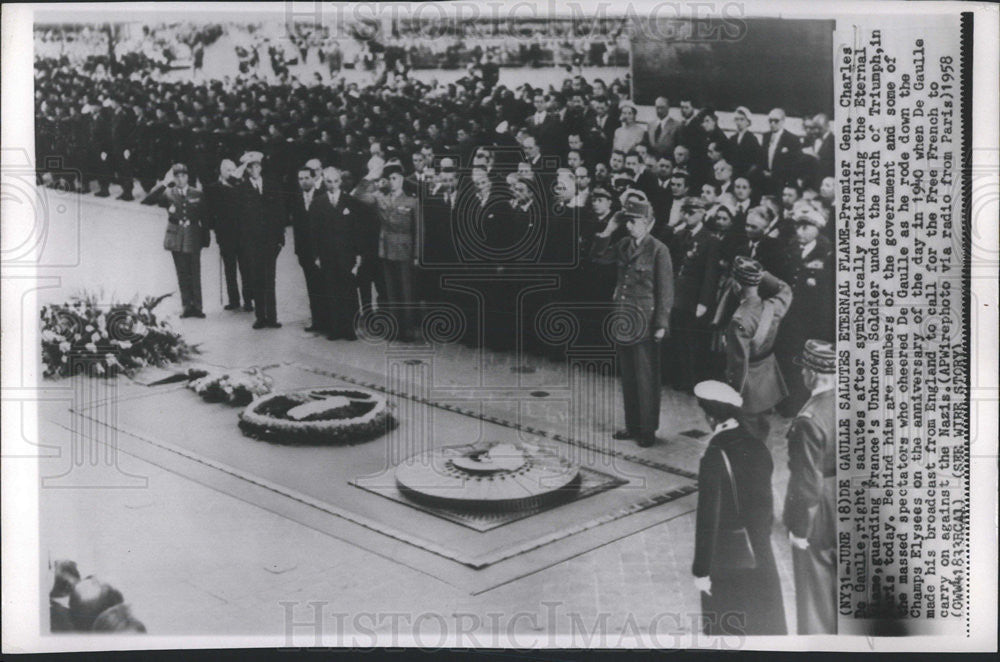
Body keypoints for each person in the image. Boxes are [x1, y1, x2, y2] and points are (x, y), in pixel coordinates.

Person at [691, 380, 787, 635]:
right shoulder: (758, 446)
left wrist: (701, 570)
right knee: (764, 624)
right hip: (761, 552)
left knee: (728, 628)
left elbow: (707, 519)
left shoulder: (714, 455)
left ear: (711, 418)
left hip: (727, 557)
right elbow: (766, 505)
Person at [590, 197, 673, 447]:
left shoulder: (659, 249)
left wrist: (661, 324)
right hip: (624, 320)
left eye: (634, 221)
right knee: (628, 376)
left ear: (648, 223)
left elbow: (666, 290)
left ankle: (647, 430)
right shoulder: (624, 244)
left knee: (646, 377)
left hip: (645, 322)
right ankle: (632, 425)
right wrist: (608, 230)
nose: (629, 226)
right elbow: (597, 257)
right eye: (627, 222)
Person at [783, 339, 837, 634]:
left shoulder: (808, 420)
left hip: (821, 507)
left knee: (814, 593)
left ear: (812, 374)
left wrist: (800, 529)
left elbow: (807, 483)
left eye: (804, 369)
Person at [724, 257, 793, 441]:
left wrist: (732, 397)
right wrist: (762, 274)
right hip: (769, 377)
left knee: (747, 437)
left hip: (749, 387)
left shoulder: (739, 321)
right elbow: (785, 289)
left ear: (737, 285)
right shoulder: (773, 306)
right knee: (762, 429)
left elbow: (739, 366)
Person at [144, 163, 207, 318]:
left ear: (188, 177)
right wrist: (164, 183)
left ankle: (197, 307)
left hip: (193, 235)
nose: (180, 179)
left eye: (183, 176)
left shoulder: (197, 193)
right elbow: (148, 200)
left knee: (194, 272)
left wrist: (205, 239)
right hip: (176, 237)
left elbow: (204, 218)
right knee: (182, 273)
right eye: (177, 176)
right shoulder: (168, 193)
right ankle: (186, 306)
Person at [235, 151, 286, 329]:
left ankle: (272, 317)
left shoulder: (272, 186)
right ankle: (260, 317)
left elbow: (280, 213)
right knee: (257, 278)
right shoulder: (241, 189)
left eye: (257, 166)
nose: (254, 169)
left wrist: (281, 238)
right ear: (247, 170)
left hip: (271, 241)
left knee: (270, 279)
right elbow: (239, 218)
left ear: (261, 167)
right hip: (252, 242)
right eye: (251, 167)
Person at [312, 167, 363, 340]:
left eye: (335, 181)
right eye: (328, 181)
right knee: (331, 290)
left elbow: (357, 230)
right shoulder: (318, 203)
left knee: (348, 291)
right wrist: (317, 255)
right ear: (324, 182)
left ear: (340, 182)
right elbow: (315, 232)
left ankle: (350, 329)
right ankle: (335, 328)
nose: (332, 185)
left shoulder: (350, 201)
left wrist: (358, 254)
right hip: (327, 254)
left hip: (346, 255)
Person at [375, 161, 420, 341]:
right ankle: (396, 328)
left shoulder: (411, 201)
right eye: (389, 179)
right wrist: (373, 179)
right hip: (386, 249)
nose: (391, 182)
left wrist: (417, 255)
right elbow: (360, 195)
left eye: (394, 178)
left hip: (404, 250)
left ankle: (408, 330)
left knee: (406, 292)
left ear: (401, 180)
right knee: (391, 291)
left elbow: (418, 230)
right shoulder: (382, 198)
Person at [204, 159, 252, 311]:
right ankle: (234, 300)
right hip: (225, 234)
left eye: (233, 170)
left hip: (242, 233)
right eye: (227, 170)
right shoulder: (214, 188)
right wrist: (214, 228)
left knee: (245, 268)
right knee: (229, 268)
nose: (231, 173)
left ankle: (248, 300)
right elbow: (210, 211)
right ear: (221, 171)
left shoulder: (241, 186)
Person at [289, 165, 325, 332]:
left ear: (313, 178)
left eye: (306, 178)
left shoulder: (322, 196)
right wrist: (298, 251)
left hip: (322, 251)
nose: (303, 181)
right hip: (305, 252)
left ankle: (330, 320)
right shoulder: (296, 199)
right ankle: (317, 320)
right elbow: (296, 226)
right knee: (312, 287)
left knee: (325, 285)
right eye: (300, 179)